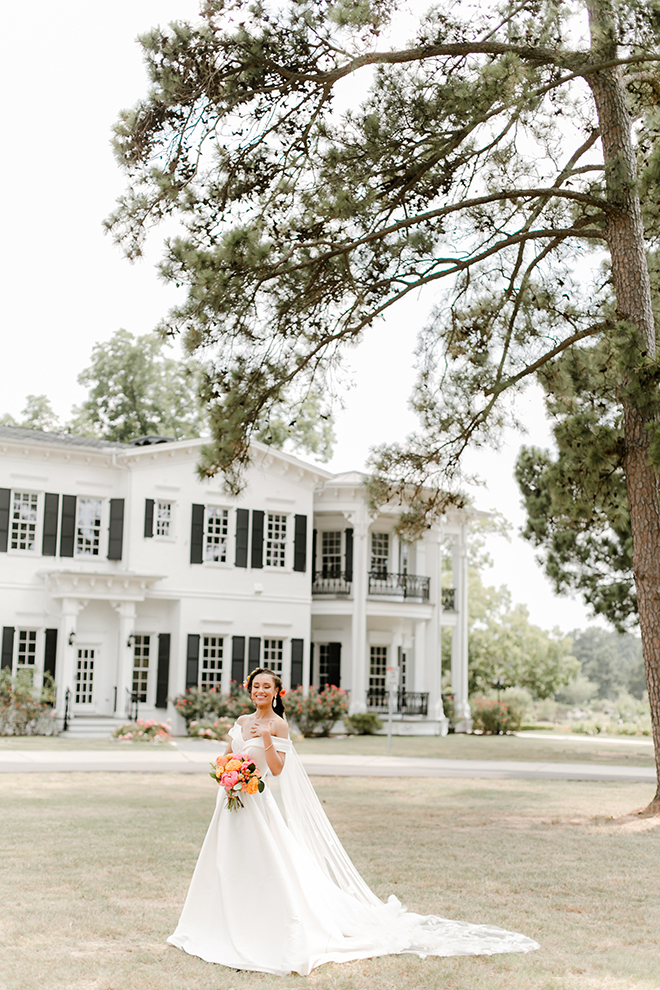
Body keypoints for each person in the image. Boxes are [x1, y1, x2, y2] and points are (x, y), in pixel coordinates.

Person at [167, 668, 539, 976]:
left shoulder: (278, 727)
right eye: (256, 686)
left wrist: (265, 740)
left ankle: (265, 925)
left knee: (268, 868)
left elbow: (277, 771)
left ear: (277, 692)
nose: (260, 691)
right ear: (249, 691)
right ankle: (219, 921)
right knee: (224, 864)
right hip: (231, 803)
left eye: (267, 686)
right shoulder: (242, 720)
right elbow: (227, 754)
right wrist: (226, 772)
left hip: (258, 804)